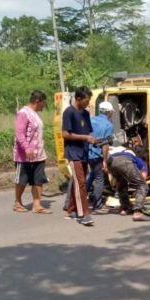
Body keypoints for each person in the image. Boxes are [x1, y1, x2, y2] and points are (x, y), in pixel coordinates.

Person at [62, 86, 98, 226]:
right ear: (78, 98)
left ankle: (71, 209)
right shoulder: (69, 112)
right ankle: (84, 214)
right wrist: (85, 137)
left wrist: (93, 139)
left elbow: (87, 133)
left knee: (78, 182)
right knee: (81, 183)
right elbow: (65, 134)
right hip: (73, 153)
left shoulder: (86, 114)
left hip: (84, 152)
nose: (88, 103)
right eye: (86, 100)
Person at [13, 89, 51, 214]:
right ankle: (17, 202)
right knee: (22, 180)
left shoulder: (36, 114)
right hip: (24, 155)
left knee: (38, 180)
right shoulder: (23, 113)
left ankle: (37, 205)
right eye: (43, 103)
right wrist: (27, 148)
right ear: (37, 101)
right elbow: (19, 133)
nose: (44, 106)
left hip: (38, 154)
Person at [107, 145, 150, 222]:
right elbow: (143, 177)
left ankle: (125, 208)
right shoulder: (139, 159)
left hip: (110, 162)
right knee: (142, 185)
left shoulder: (125, 150)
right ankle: (138, 212)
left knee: (121, 184)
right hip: (124, 161)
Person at [88, 101, 115, 212]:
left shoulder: (91, 120)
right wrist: (104, 160)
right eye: (111, 112)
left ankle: (81, 197)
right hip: (96, 154)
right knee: (99, 179)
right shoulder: (108, 125)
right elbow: (105, 145)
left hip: (87, 153)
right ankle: (98, 204)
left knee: (91, 175)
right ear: (108, 112)